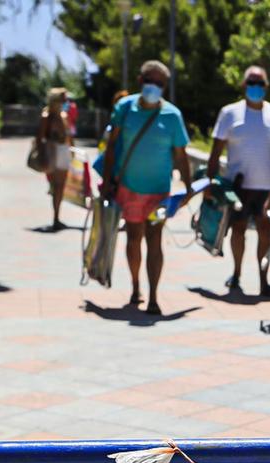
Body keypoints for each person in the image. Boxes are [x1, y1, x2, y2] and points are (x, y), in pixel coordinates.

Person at [103, 61, 193, 315]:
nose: (153, 86)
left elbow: (181, 154)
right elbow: (111, 147)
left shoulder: (172, 116)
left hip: (159, 193)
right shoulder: (124, 108)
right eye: (149, 81)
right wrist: (107, 182)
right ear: (140, 80)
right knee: (134, 239)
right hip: (129, 188)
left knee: (155, 242)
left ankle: (153, 297)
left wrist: (187, 188)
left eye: (160, 83)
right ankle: (135, 286)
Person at [206, 65, 270, 296]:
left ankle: (263, 280)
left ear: (266, 86)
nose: (255, 87)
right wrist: (209, 185)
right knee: (238, 229)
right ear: (244, 85)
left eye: (260, 83)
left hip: (267, 188)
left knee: (266, 231)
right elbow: (215, 152)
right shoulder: (229, 113)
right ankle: (236, 273)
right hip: (238, 186)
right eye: (251, 82)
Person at [36, 87, 74, 231]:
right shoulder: (47, 116)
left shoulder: (63, 115)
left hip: (64, 151)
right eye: (63, 99)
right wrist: (42, 156)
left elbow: (69, 135)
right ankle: (56, 218)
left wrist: (72, 150)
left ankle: (57, 216)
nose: (66, 102)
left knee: (61, 186)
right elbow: (39, 138)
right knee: (57, 186)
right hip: (53, 152)